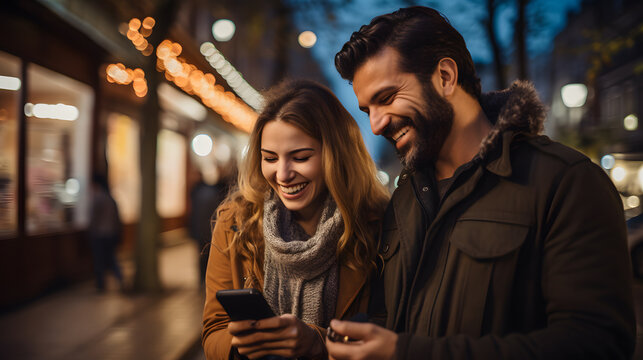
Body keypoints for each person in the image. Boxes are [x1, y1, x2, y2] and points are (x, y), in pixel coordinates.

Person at [326, 6, 635, 360]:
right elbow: (384, 319)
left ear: (444, 76)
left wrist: (408, 353)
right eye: (368, 111)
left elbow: (597, 344)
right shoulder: (405, 199)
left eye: (386, 98)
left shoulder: (566, 182)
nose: (377, 125)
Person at [201, 79, 390, 359]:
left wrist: (317, 342)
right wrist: (246, 346)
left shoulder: (379, 225)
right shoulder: (235, 221)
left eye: (300, 157)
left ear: (337, 155)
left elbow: (390, 329)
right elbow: (214, 327)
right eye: (270, 158)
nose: (283, 174)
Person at [88, 173, 124, 292]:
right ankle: (120, 279)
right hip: (111, 233)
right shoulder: (111, 199)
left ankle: (101, 284)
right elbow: (117, 218)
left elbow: (94, 218)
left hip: (99, 234)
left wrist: (90, 231)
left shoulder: (98, 199)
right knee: (111, 258)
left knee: (100, 260)